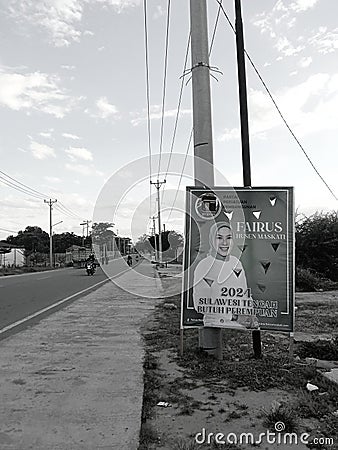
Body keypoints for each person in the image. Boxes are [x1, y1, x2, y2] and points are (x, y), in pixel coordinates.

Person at [193, 221, 259, 329]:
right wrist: (234, 317)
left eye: (228, 238)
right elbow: (200, 305)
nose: (225, 243)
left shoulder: (236, 262)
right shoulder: (204, 266)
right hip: (216, 327)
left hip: (242, 328)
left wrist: (251, 315)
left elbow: (244, 293)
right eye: (219, 238)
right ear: (212, 240)